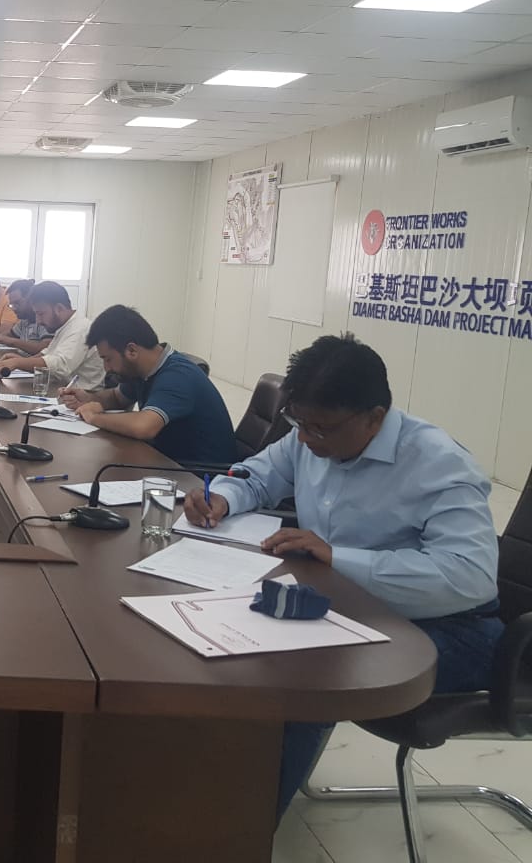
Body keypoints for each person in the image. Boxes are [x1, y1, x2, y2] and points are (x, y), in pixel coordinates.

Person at [183, 334, 502, 821]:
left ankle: (238, 833)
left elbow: (469, 577)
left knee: (307, 679)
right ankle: (192, 790)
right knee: (225, 643)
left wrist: (338, 558)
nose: (306, 439)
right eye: (299, 423)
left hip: (454, 627)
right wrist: (224, 497)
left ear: (375, 417)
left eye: (320, 429)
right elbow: (260, 474)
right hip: (346, 604)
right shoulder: (313, 434)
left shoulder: (440, 465)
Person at [59, 305, 237, 465]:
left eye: (108, 359)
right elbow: (116, 398)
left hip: (199, 479)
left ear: (132, 350)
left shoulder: (177, 376)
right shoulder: (142, 370)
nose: (107, 368)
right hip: (166, 461)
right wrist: (87, 398)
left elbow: (144, 426)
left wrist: (94, 417)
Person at [0, 281, 104, 388]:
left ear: (59, 308)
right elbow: (47, 354)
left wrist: (18, 363)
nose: (38, 321)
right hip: (62, 391)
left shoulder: (80, 328)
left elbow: (60, 364)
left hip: (84, 399)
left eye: (41, 313)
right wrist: (19, 361)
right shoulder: (65, 326)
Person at [0, 278, 52, 355]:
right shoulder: (24, 322)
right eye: (11, 305)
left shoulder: (44, 321)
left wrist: (12, 341)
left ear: (31, 300)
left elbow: (44, 348)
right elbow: (5, 335)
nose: (14, 309)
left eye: (17, 303)